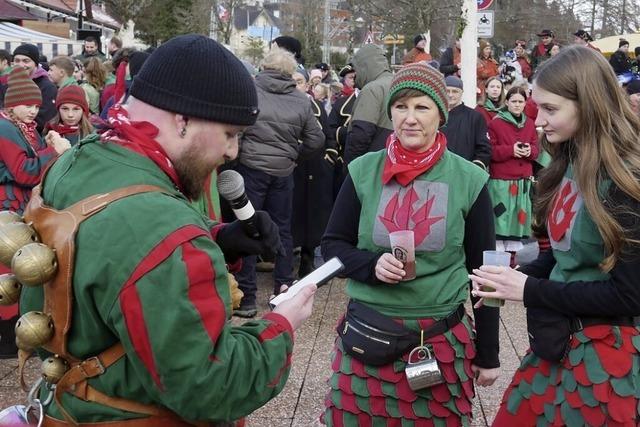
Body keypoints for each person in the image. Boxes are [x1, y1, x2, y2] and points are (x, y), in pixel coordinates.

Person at [19, 34, 317, 425]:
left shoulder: (79, 158)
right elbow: (210, 386)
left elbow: (106, 246)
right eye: (230, 133)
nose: (233, 152)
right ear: (183, 119)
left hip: (64, 404)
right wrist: (282, 324)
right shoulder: (162, 231)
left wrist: (216, 237)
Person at [321, 63, 500, 425]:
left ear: (441, 114)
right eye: (401, 107)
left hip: (438, 340)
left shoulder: (470, 179)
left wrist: (489, 352)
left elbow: (487, 272)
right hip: (368, 338)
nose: (410, 118)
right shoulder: (363, 171)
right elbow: (332, 246)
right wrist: (370, 266)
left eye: (422, 107)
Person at [471, 45, 640, 426]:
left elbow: (629, 294)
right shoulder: (569, 162)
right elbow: (564, 256)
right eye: (537, 109)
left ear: (589, 103)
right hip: (560, 344)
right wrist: (510, 279)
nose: (538, 122)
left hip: (608, 355)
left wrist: (527, 290)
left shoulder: (627, 180)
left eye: (550, 110)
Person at [233, 46, 324, 317]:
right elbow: (316, 140)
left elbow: (237, 131)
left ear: (264, 67)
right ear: (289, 72)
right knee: (283, 230)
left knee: (247, 229)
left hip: (251, 169)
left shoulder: (250, 93)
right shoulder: (301, 100)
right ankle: (283, 289)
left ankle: (247, 297)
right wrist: (294, 155)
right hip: (283, 172)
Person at [0, 67, 70, 357]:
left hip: (21, 206)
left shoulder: (25, 129)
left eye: (37, 106)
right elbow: (23, 171)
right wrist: (53, 152)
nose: (33, 111)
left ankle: (18, 331)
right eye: (28, 105)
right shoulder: (4, 128)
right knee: (8, 269)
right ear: (11, 104)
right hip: (8, 207)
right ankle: (7, 336)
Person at [487, 86, 538, 267]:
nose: (517, 105)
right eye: (514, 101)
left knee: (516, 225)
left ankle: (511, 264)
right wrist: (511, 150)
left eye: (521, 101)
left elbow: (536, 149)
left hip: (522, 182)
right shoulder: (495, 123)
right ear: (507, 102)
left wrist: (528, 151)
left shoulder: (530, 123)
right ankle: (497, 266)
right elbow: (490, 151)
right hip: (502, 183)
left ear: (525, 103)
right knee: (501, 223)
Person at [343, 44, 393, 164]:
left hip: (371, 167)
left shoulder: (371, 89)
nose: (354, 76)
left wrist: (351, 171)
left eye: (355, 70)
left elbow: (360, 136)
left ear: (364, 67)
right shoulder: (400, 83)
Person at [441, 75, 492, 170]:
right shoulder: (435, 116)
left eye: (455, 91)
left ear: (462, 92)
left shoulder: (475, 117)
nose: (450, 95)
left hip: (465, 173)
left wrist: (475, 168)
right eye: (447, 91)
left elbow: (484, 149)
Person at [11, 44, 57, 133]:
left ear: (35, 63)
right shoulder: (10, 83)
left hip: (34, 138)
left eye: (26, 61)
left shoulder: (47, 87)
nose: (20, 65)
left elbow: (44, 120)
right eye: (17, 61)